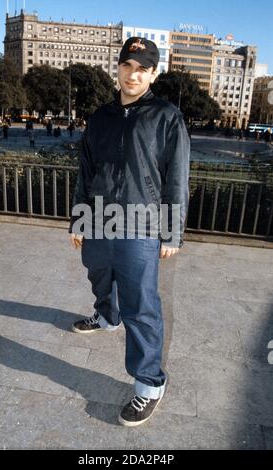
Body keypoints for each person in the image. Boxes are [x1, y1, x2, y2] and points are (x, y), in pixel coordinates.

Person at [68, 37, 190, 427]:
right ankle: (106, 316)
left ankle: (149, 383)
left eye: (142, 68)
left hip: (142, 222)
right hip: (100, 216)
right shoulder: (100, 117)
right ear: (117, 68)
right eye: (127, 65)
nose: (133, 73)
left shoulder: (166, 116)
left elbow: (177, 178)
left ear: (152, 73)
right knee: (97, 271)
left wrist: (171, 232)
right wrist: (79, 219)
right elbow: (86, 171)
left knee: (142, 304)